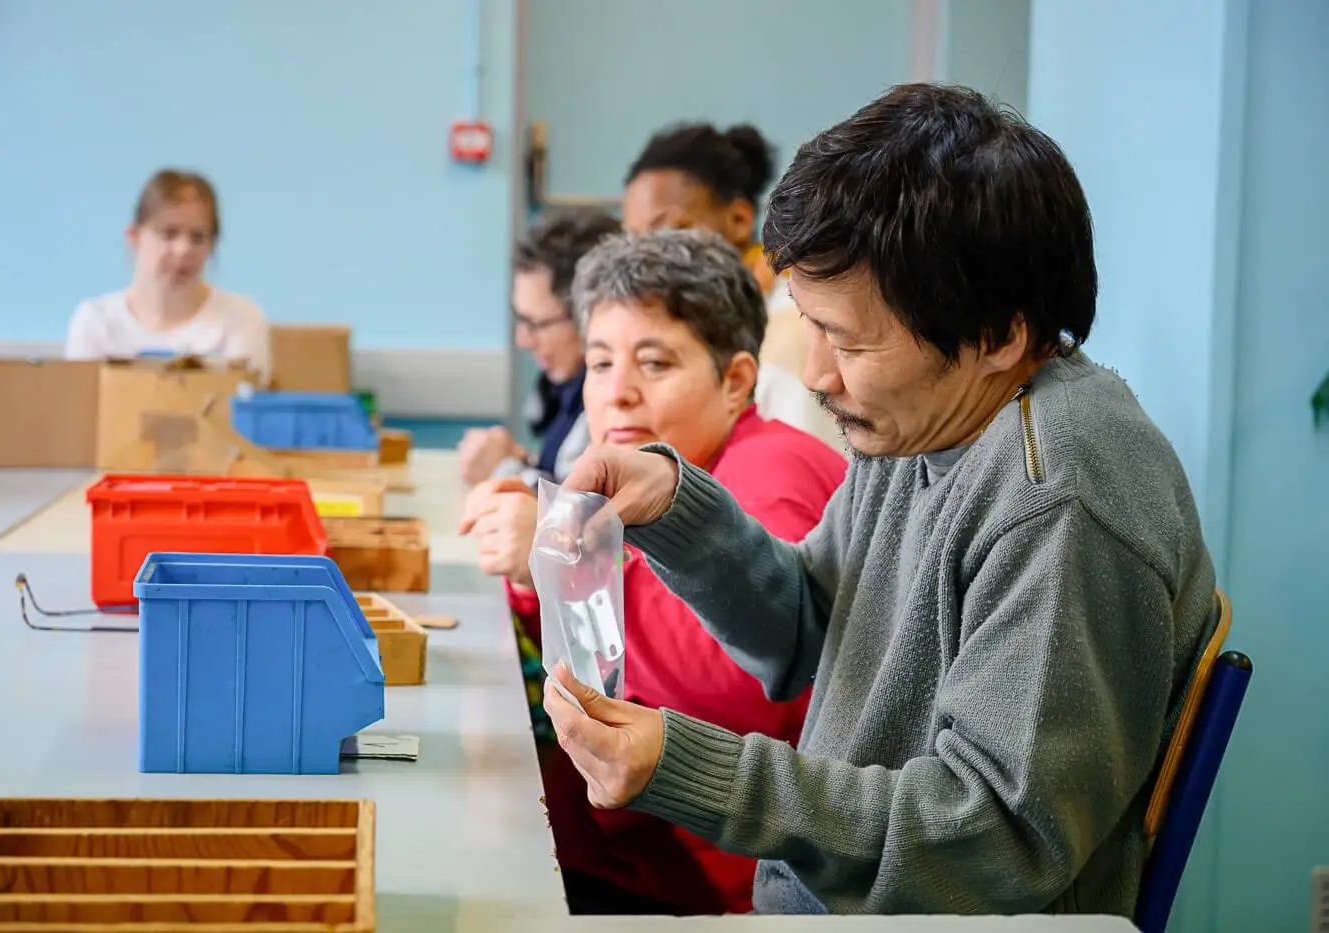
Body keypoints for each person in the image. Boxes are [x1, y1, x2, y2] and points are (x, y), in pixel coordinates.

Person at [542, 83, 1220, 917]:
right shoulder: (922, 418)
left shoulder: (1060, 498)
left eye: (849, 342)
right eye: (811, 326)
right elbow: (809, 631)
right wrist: (680, 510)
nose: (817, 374)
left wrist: (696, 771)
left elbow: (998, 844)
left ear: (999, 334)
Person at [458, 228, 846, 915]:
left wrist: (564, 558)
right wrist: (534, 577)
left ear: (735, 382)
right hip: (661, 830)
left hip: (729, 870)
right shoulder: (668, 465)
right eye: (600, 362)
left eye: (655, 363)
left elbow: (743, 686)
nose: (618, 393)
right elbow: (605, 653)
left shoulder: (773, 468)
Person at [621, 122, 836, 449]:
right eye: (634, 241)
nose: (647, 259)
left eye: (668, 232)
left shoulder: (791, 332)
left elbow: (799, 469)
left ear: (739, 220)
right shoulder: (689, 331)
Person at [456, 209, 623, 487]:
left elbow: (580, 509)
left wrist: (503, 470)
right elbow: (564, 477)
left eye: (537, 324)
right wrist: (526, 465)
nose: (523, 340)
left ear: (589, 316)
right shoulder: (564, 392)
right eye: (521, 320)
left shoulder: (613, 407)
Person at [65, 169, 270, 379]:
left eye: (198, 237)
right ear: (135, 237)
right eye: (169, 234)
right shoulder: (96, 322)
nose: (183, 250)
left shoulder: (240, 318)